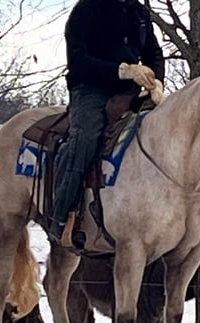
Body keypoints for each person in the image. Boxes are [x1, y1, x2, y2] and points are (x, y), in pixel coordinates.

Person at [49, 0, 165, 244]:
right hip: (91, 89)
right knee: (85, 138)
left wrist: (157, 82)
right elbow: (78, 60)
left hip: (134, 90)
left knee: (167, 131)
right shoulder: (86, 9)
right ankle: (61, 217)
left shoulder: (138, 11)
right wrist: (122, 70)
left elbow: (153, 52)